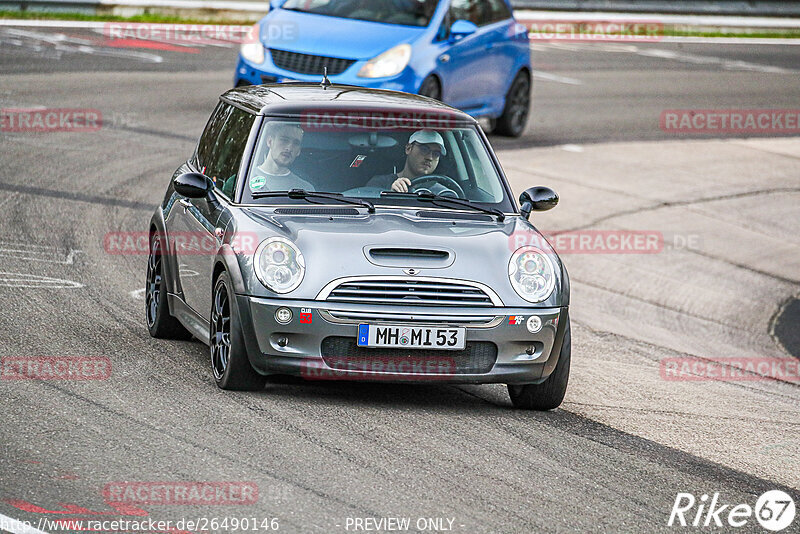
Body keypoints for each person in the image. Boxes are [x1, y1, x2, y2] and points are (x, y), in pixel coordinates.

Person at [367, 130, 446, 192]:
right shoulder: (379, 184)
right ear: (408, 148)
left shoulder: (442, 193)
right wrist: (390, 195)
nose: (430, 157)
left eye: (436, 154)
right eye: (424, 149)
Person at [248, 122, 314, 193]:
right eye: (284, 140)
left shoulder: (306, 189)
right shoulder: (243, 180)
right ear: (270, 141)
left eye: (296, 143)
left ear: (298, 151)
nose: (289, 148)